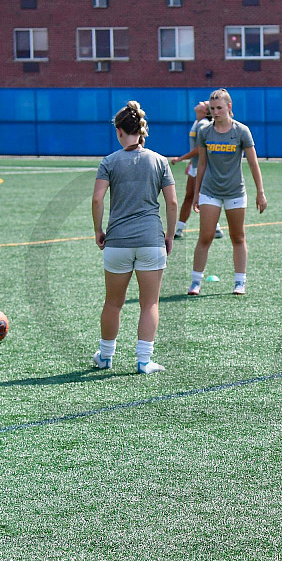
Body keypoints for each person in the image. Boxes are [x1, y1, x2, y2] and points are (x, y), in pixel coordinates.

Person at [91, 100, 177, 374]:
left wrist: (98, 229)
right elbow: (172, 203)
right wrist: (170, 236)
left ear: (118, 131)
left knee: (113, 303)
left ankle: (105, 356)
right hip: (152, 240)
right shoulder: (160, 161)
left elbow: (97, 199)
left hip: (117, 242)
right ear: (142, 130)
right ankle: (143, 360)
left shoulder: (109, 161)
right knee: (149, 303)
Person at [187, 88, 267, 296]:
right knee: (205, 236)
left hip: (235, 192)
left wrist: (260, 192)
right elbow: (202, 164)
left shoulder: (241, 131)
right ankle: (196, 282)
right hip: (210, 191)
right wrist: (196, 193)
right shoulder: (205, 132)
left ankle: (240, 282)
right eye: (212, 108)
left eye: (219, 108)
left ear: (229, 107)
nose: (215, 112)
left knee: (237, 237)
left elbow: (253, 163)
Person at [170, 101, 223, 240]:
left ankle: (215, 227)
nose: (199, 103)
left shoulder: (203, 124)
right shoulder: (197, 122)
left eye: (203, 103)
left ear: (205, 111)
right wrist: (191, 163)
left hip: (202, 167)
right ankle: (181, 228)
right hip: (195, 166)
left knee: (200, 197)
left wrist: (180, 159)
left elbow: (200, 149)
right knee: (190, 196)